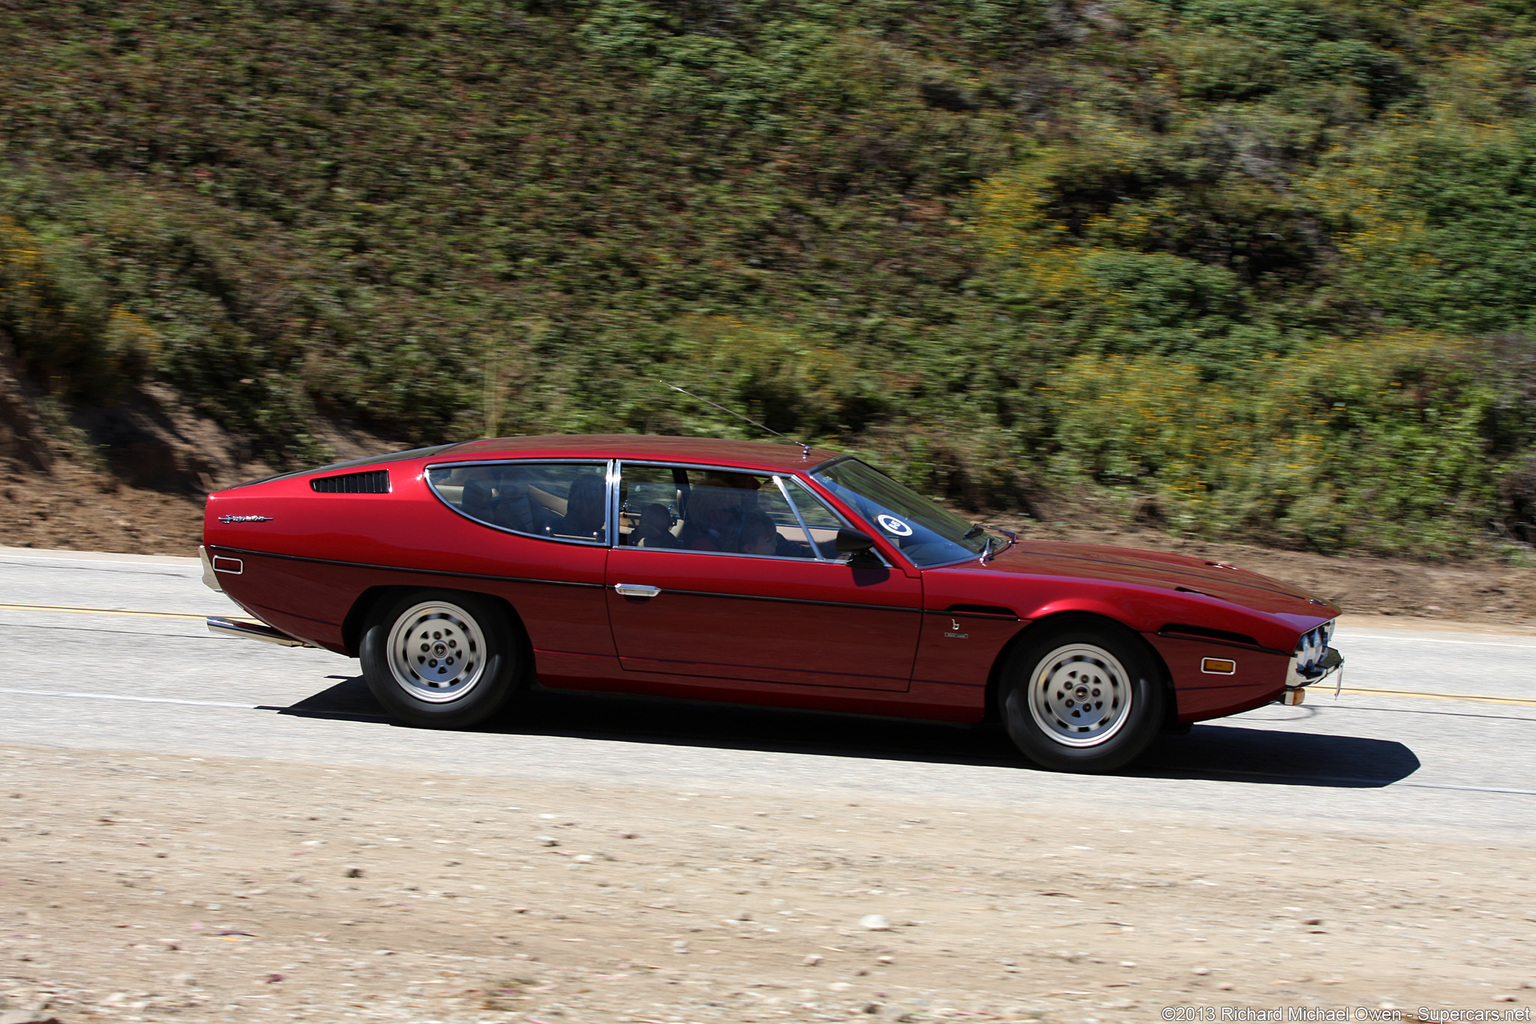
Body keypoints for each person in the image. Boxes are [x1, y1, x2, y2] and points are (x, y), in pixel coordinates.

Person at [553, 472, 606, 541]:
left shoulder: (589, 533)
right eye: (602, 508)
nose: (605, 516)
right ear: (584, 505)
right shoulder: (556, 532)